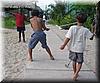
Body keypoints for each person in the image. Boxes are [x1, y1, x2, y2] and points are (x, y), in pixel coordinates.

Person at [60, 13, 93, 81]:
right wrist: (93, 30)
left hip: (72, 48)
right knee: (80, 62)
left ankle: (75, 72)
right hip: (80, 49)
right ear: (85, 21)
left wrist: (63, 45)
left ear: (76, 19)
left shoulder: (72, 28)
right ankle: (76, 73)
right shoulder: (86, 30)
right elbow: (91, 37)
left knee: (74, 61)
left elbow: (68, 38)